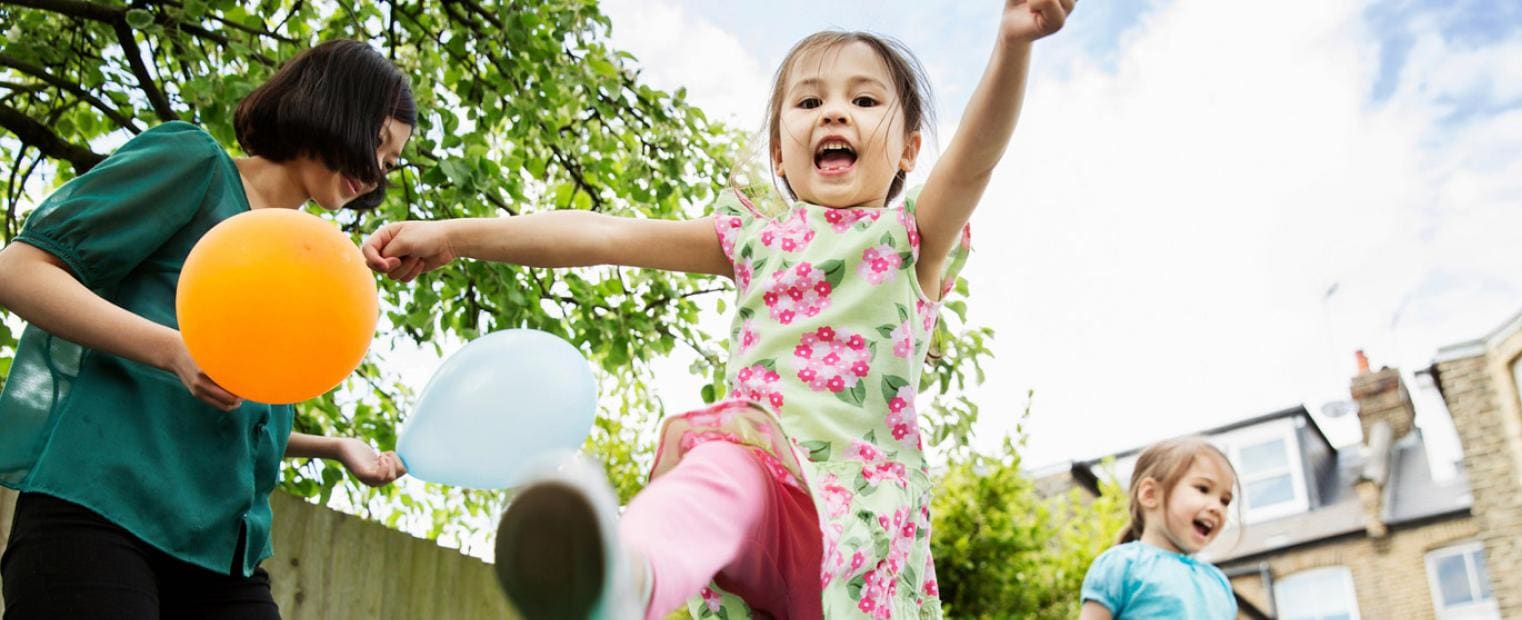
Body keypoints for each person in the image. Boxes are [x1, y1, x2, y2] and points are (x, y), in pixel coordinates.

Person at [364, 1, 1075, 616]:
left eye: (864, 101)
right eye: (809, 101)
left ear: (909, 151)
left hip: (856, 526)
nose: (834, 110)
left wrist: (1012, 43)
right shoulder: (754, 240)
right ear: (778, 152)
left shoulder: (913, 237)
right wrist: (457, 235)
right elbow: (604, 234)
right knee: (717, 469)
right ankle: (621, 578)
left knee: (726, 469)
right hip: (756, 491)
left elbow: (976, 161)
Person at [0, 39, 414, 618]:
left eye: (390, 164)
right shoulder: (192, 164)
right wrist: (170, 349)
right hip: (98, 515)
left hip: (222, 554)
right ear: (332, 104)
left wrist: (333, 448)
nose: (375, 175)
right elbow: (18, 271)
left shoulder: (302, 261)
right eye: (375, 144)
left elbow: (229, 401)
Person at [1079, 437, 1240, 619]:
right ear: (1150, 494)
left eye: (1225, 501)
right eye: (1203, 489)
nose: (1217, 507)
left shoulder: (1218, 583)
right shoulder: (1120, 565)